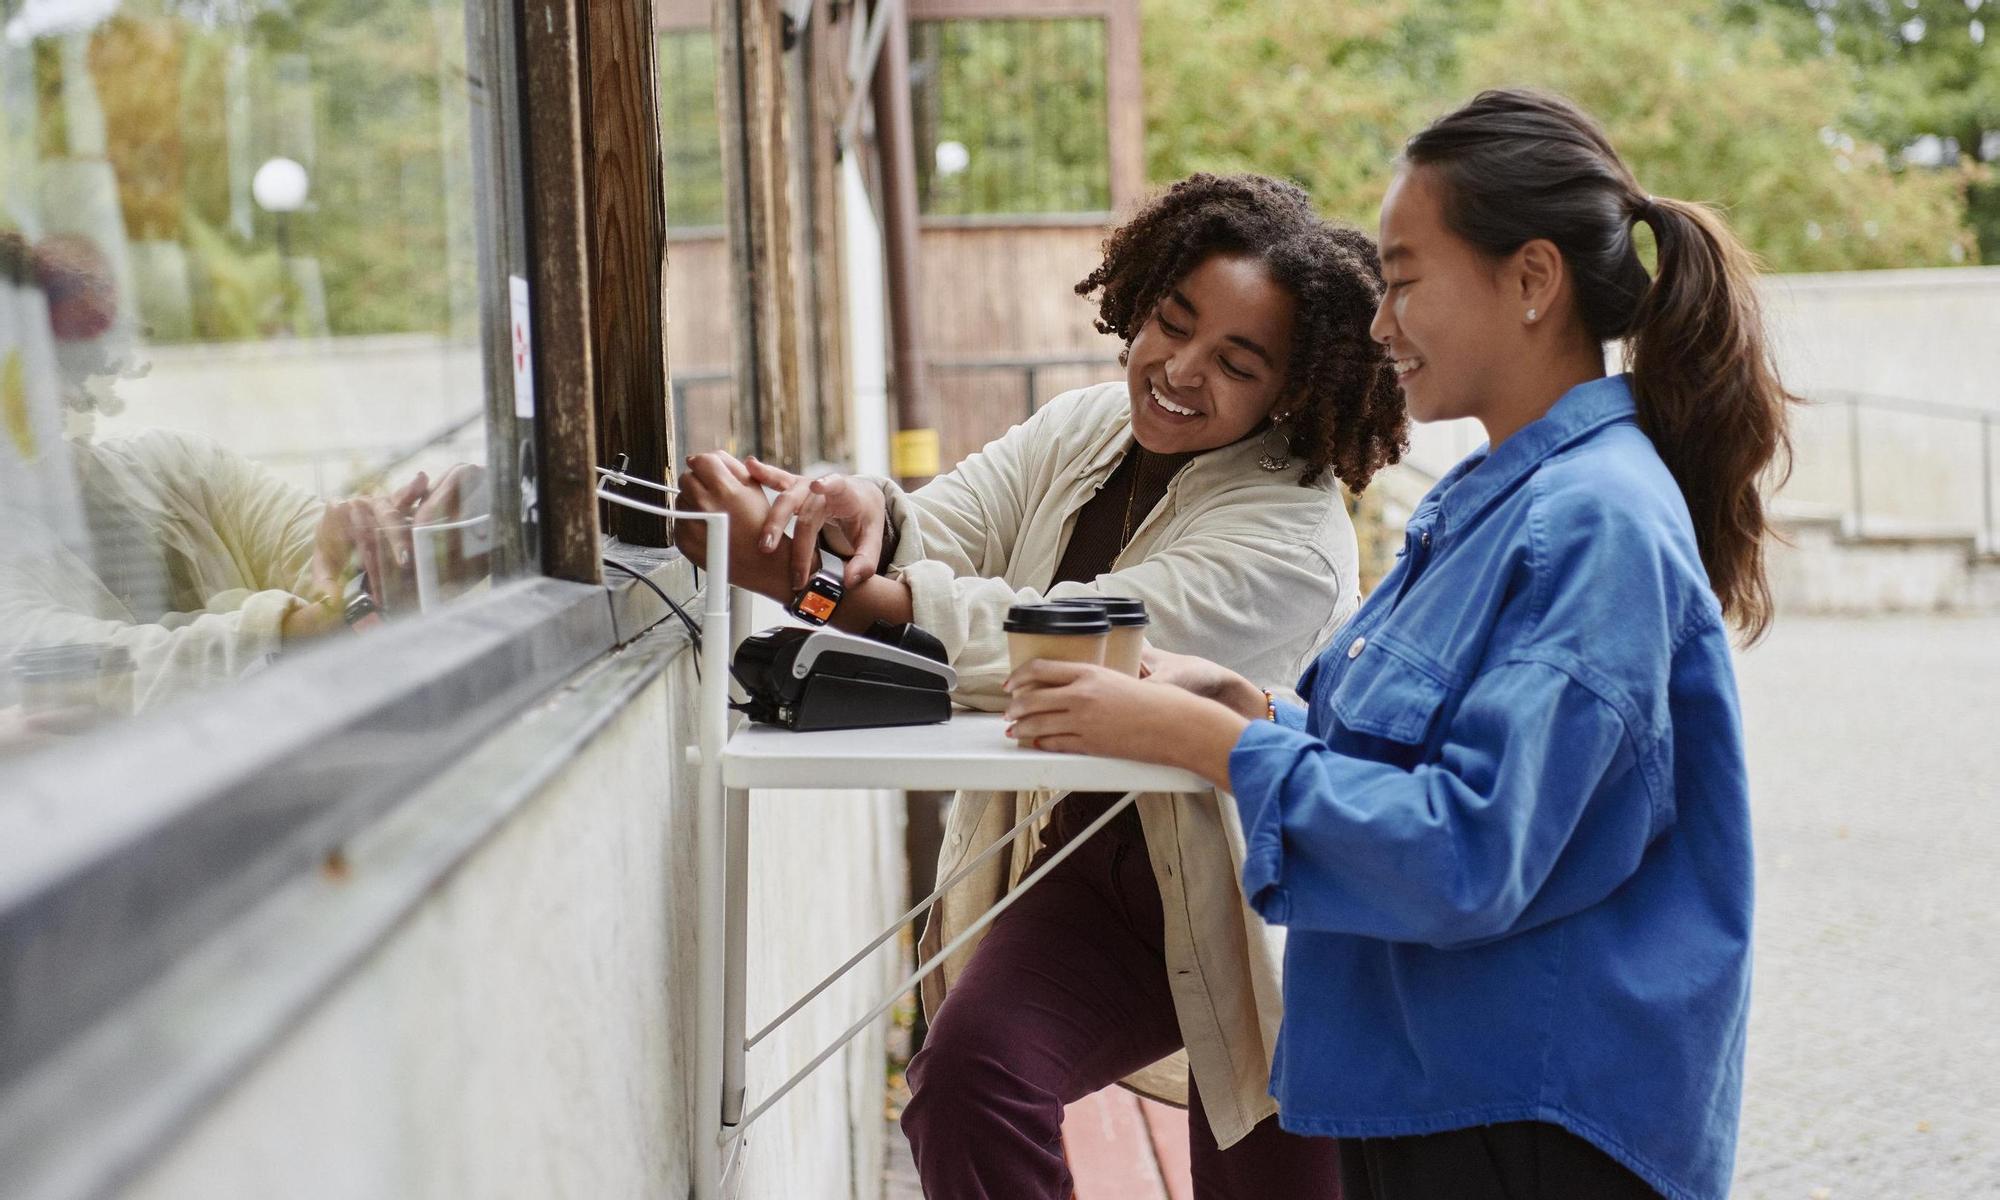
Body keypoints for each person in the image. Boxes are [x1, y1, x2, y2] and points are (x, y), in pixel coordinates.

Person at [1003, 89, 1794, 1200]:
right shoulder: (1490, 499)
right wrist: (1248, 708)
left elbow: (1467, 850)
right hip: (1436, 1101)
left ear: (1529, 280)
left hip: (1523, 1127)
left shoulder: (1592, 522)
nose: (1378, 327)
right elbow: (1407, 765)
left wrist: (1208, 747)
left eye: (1405, 280)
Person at [674, 173, 1406, 1199]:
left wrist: (835, 590)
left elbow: (1073, 652)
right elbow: (950, 526)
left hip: (1264, 907)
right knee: (967, 1081)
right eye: (1170, 322)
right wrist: (852, 514)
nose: (1176, 370)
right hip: (1090, 870)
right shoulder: (1083, 425)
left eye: (1234, 363)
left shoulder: (1292, 541)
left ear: (1289, 391)